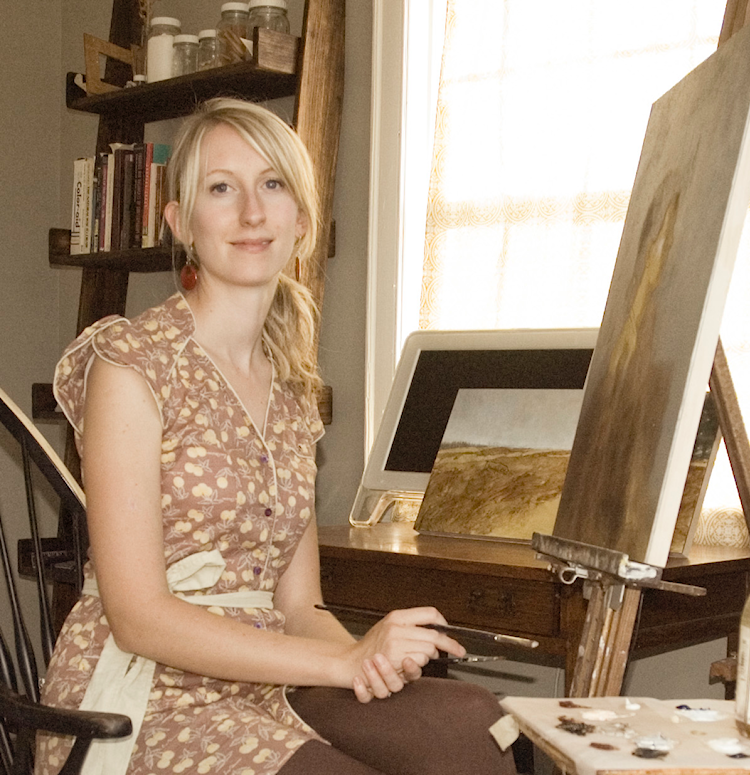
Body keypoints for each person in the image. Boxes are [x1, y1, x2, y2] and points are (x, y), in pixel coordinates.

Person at [38, 98, 517, 775]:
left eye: (272, 184)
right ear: (181, 222)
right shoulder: (131, 364)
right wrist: (344, 661)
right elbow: (138, 616)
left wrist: (368, 661)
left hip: (265, 682)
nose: (251, 212)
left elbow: (298, 605)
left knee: (472, 723)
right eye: (220, 188)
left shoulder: (293, 394)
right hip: (141, 695)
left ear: (302, 219)